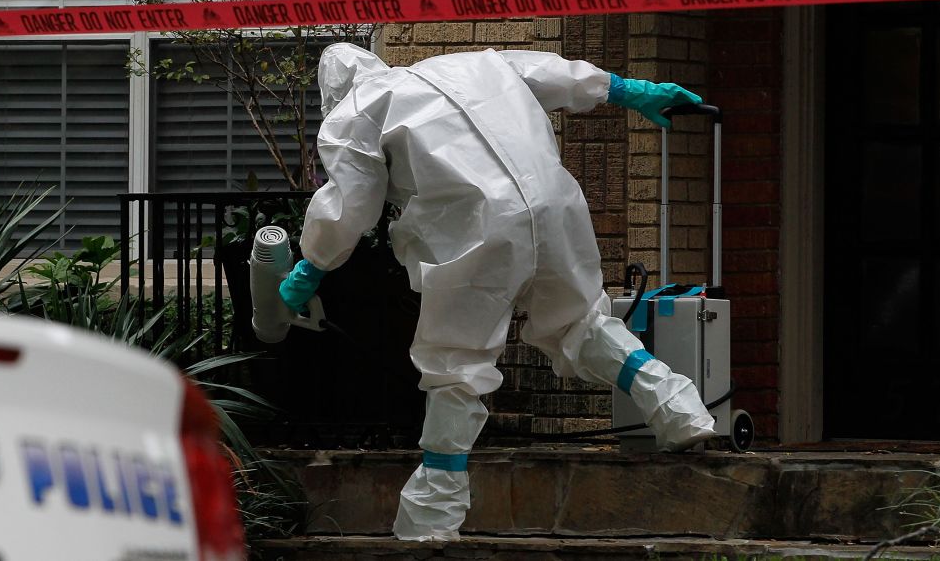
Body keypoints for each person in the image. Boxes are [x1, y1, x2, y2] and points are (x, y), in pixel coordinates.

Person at [280, 43, 716, 541]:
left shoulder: (359, 108)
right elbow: (554, 73)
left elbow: (350, 206)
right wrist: (632, 91)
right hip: (554, 205)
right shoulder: (470, 62)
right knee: (583, 322)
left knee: (456, 367)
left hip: (476, 224)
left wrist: (310, 267)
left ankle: (432, 520)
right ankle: (679, 410)